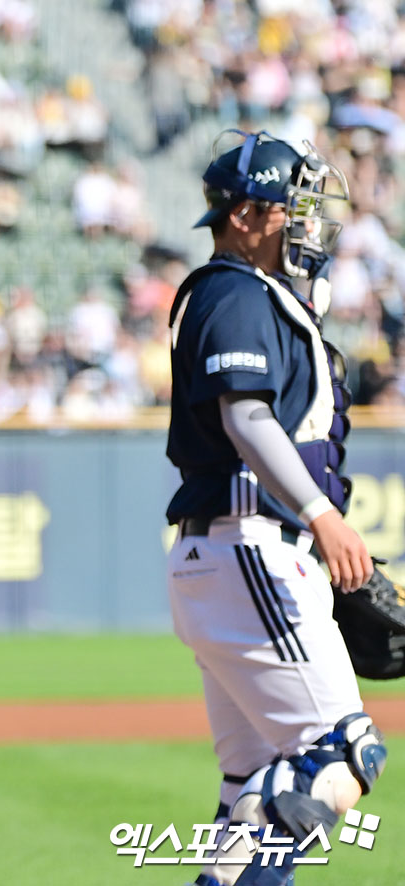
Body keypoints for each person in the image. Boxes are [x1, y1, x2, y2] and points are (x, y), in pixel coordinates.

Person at [165, 130, 387, 886]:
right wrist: (321, 514)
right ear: (249, 215)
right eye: (294, 208)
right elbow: (246, 417)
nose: (311, 225)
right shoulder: (234, 290)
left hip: (229, 555)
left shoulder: (262, 296)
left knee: (251, 785)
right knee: (343, 754)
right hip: (250, 545)